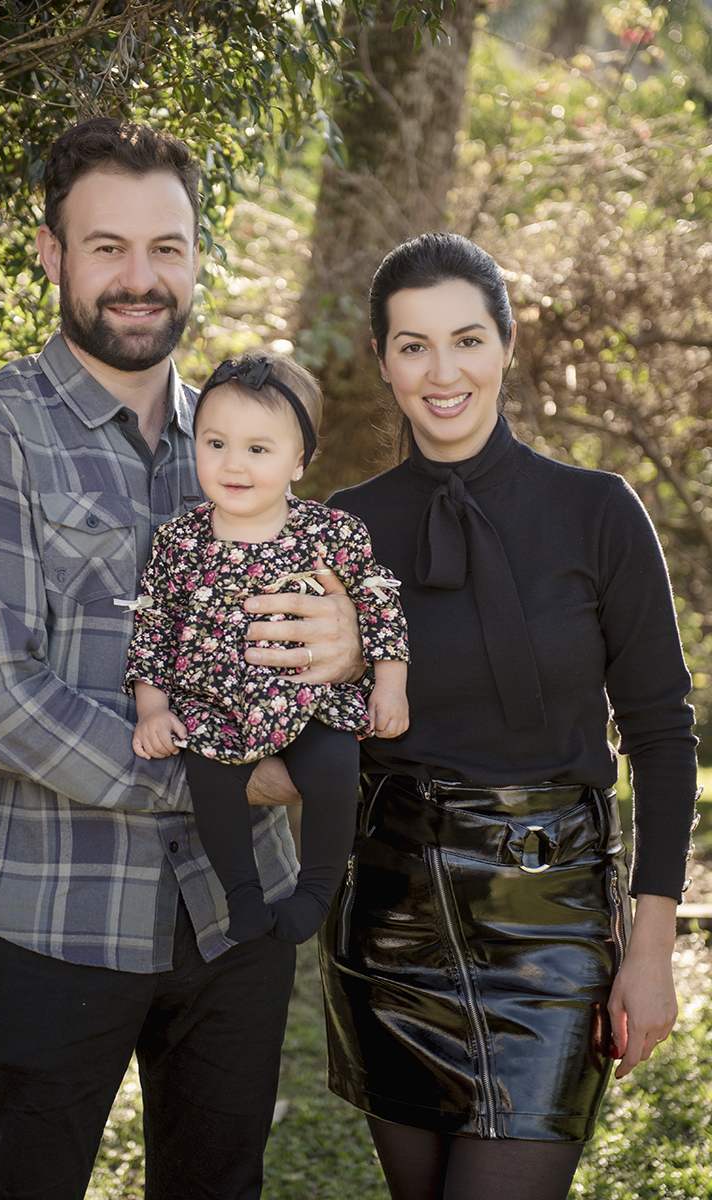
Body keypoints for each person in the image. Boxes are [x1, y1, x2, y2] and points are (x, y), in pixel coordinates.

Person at [0, 116, 365, 1200]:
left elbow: (300, 641)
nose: (138, 277)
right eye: (106, 246)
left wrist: (343, 651)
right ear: (51, 253)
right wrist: (230, 776)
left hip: (233, 920)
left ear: (196, 255)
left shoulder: (238, 438)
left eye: (165, 247)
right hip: (53, 923)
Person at [317, 231, 699, 1200]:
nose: (441, 372)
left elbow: (658, 736)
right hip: (388, 924)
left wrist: (646, 948)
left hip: (550, 927)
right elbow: (306, 728)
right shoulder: (339, 530)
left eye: (465, 340)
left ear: (506, 343)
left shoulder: (598, 513)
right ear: (382, 362)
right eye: (412, 346)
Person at [124, 350, 409, 945]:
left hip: (307, 701)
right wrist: (154, 709)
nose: (234, 464)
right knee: (208, 774)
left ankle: (314, 894)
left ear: (297, 461)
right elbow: (155, 628)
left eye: (258, 449)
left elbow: (380, 603)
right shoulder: (179, 542)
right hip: (214, 707)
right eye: (216, 443)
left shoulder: (328, 532)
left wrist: (390, 686)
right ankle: (243, 896)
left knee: (335, 767)